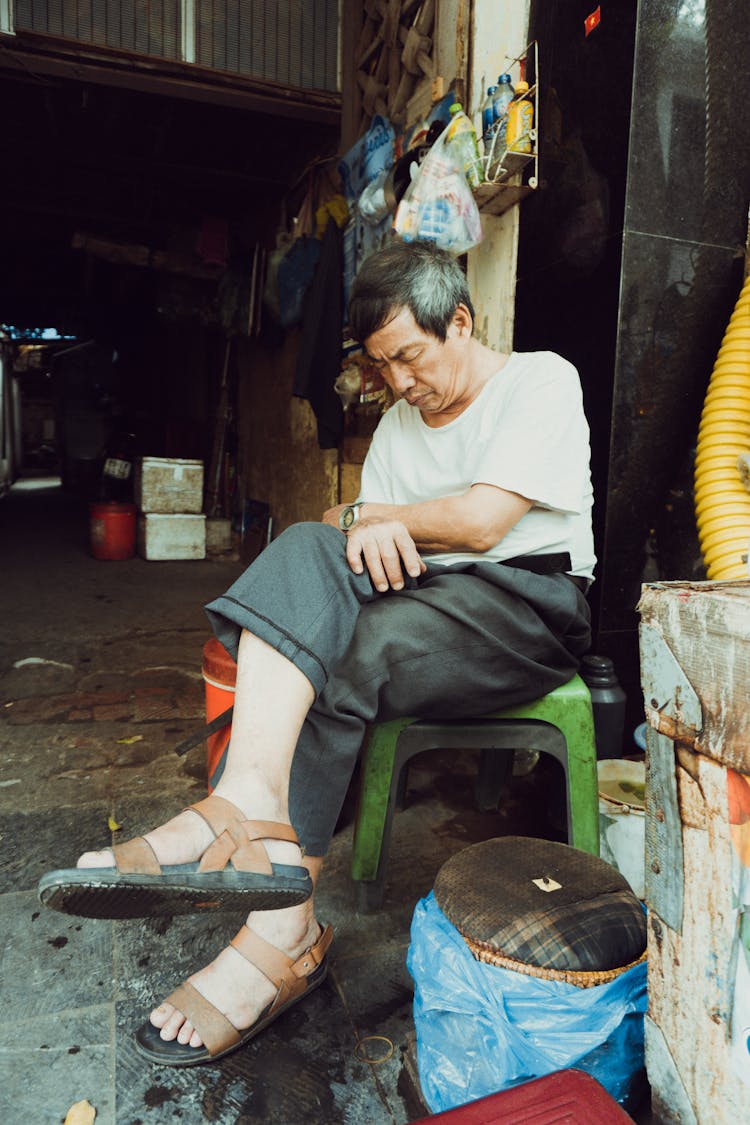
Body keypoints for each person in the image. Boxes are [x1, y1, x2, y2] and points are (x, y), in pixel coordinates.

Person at [38, 239, 595, 1067]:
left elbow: (481, 523)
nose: (400, 384)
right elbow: (355, 521)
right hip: (432, 598)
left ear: (462, 323)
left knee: (345, 648)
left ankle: (278, 930)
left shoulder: (539, 380)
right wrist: (360, 524)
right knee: (308, 550)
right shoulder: (403, 425)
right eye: (382, 366)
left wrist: (373, 520)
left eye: (409, 356)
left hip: (528, 608)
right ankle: (246, 803)